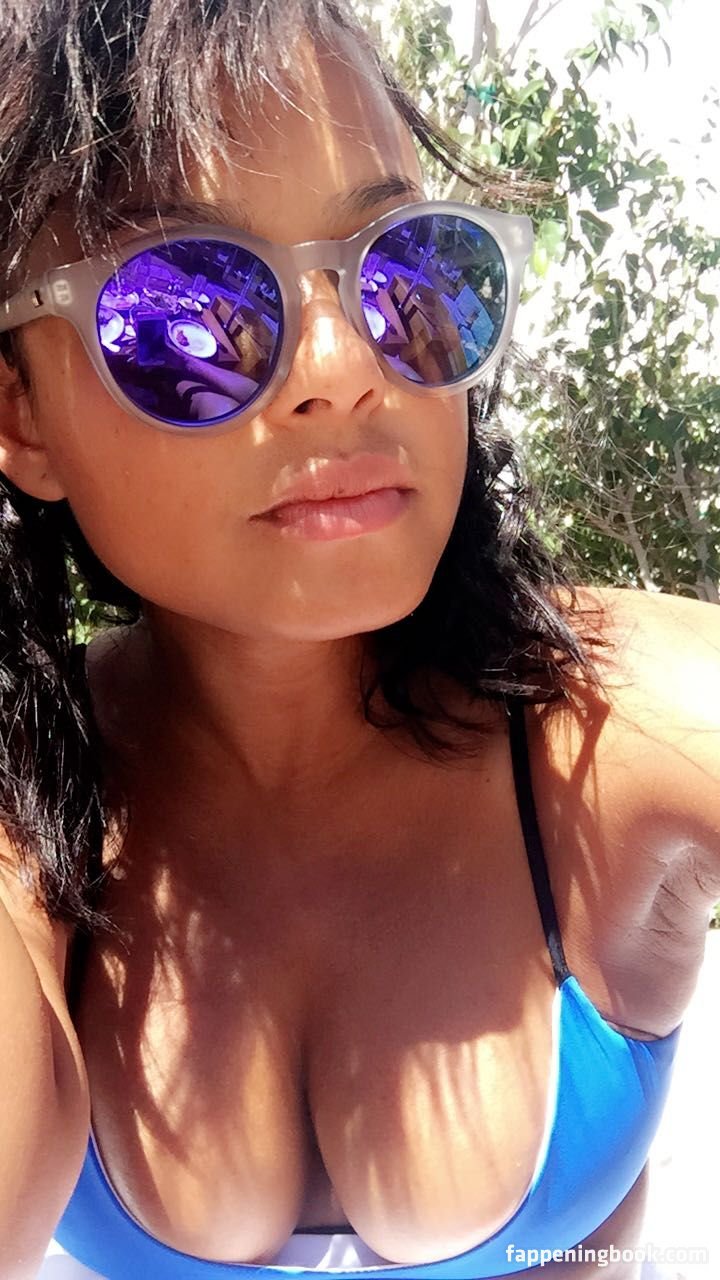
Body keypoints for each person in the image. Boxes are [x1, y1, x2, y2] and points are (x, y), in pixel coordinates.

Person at [0, 2, 718, 1278]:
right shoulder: (30, 813)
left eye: (405, 273)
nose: (343, 365)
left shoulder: (611, 731)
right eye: (188, 309)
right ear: (21, 416)